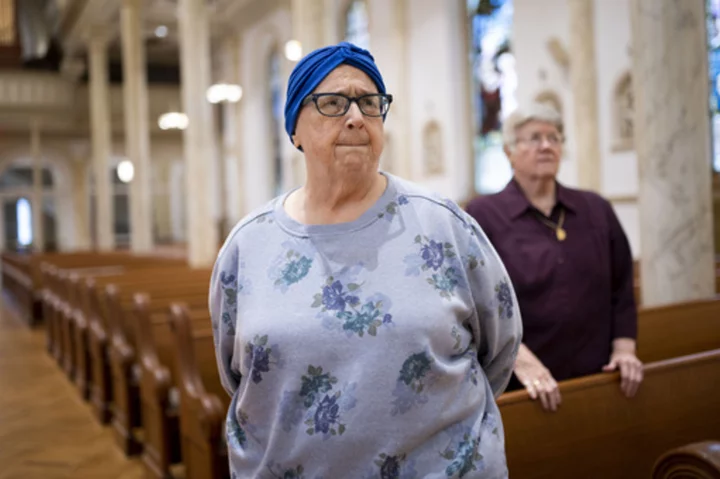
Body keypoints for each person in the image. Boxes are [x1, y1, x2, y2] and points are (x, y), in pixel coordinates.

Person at [209, 42, 522, 478]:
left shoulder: (443, 224)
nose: (356, 116)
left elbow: (500, 347)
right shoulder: (249, 245)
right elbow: (237, 375)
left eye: (369, 103)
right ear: (294, 130)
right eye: (333, 103)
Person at [465, 103, 643, 413]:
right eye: (534, 138)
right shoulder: (483, 215)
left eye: (554, 137)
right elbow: (477, 304)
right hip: (524, 387)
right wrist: (517, 359)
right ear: (509, 151)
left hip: (600, 375)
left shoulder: (596, 208)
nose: (546, 145)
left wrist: (624, 349)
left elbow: (622, 286)